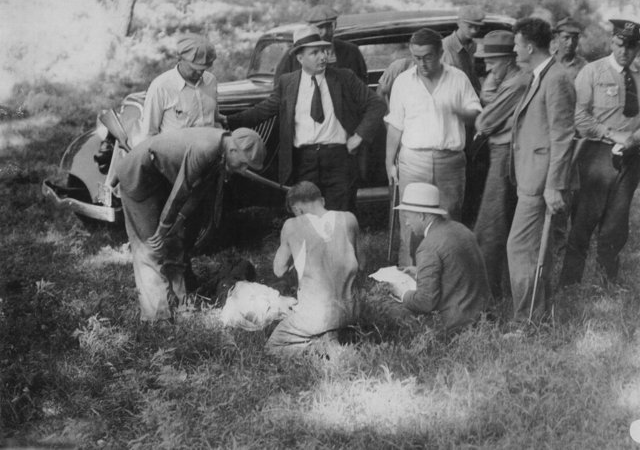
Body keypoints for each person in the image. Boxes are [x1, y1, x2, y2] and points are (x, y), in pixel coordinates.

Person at [228, 25, 385, 212]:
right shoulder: (288, 83)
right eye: (315, 53)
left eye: (324, 51)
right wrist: (228, 121)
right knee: (307, 218)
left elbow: (377, 105)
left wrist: (359, 136)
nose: (323, 57)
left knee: (339, 217)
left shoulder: (344, 78)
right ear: (299, 58)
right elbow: (264, 110)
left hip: (339, 159)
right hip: (303, 161)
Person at [116, 127, 266, 322]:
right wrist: (162, 230)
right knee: (150, 248)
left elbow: (194, 195)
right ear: (234, 151)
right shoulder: (205, 148)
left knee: (175, 242)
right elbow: (181, 192)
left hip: (162, 181)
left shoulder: (221, 150)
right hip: (138, 177)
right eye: (244, 165)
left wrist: (175, 224)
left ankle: (180, 302)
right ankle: (156, 316)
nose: (244, 171)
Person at [385, 27, 481, 266]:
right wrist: (389, 162)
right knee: (411, 219)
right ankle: (410, 275)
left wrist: (459, 110)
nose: (422, 63)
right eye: (417, 57)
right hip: (413, 160)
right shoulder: (403, 81)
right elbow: (395, 125)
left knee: (448, 218)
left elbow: (477, 116)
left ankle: (447, 273)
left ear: (440, 53)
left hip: (450, 160)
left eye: (427, 57)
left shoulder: (458, 78)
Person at [560, 19, 640, 285]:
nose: (624, 52)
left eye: (631, 47)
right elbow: (579, 116)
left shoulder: (639, 76)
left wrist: (633, 139)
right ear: (611, 42)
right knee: (583, 221)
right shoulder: (592, 72)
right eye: (619, 45)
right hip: (596, 154)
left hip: (630, 158)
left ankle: (606, 285)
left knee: (616, 226)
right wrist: (611, 134)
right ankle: (569, 283)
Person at [507, 17, 576, 324]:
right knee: (535, 250)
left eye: (516, 44)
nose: (513, 49)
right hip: (531, 175)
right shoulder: (539, 74)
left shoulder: (556, 78)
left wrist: (554, 185)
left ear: (529, 46)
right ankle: (538, 315)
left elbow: (562, 136)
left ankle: (527, 321)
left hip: (541, 181)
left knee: (521, 248)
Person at [266, 181, 364, 355]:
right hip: (352, 310)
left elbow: (278, 270)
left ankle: (317, 348)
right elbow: (362, 263)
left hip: (317, 315)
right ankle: (337, 335)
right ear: (323, 201)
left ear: (297, 209)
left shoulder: (292, 225)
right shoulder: (349, 219)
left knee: (272, 347)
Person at [383, 182, 490, 334]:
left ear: (421, 216)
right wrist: (420, 271)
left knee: (389, 307)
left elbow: (425, 301)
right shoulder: (461, 229)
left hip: (455, 324)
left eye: (408, 217)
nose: (406, 223)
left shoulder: (428, 247)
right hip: (481, 315)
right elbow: (455, 270)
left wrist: (401, 293)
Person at [473, 31, 530, 300]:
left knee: (490, 227)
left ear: (509, 60)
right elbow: (488, 102)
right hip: (502, 151)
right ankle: (498, 290)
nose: (486, 69)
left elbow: (484, 123)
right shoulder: (508, 78)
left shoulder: (517, 82)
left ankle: (490, 295)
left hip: (505, 153)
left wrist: (488, 118)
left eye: (492, 62)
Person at [131, 34, 226, 147]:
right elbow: (148, 133)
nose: (200, 73)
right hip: (176, 157)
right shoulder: (161, 87)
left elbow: (214, 118)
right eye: (194, 68)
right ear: (179, 59)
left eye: (203, 69)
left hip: (209, 152)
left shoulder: (211, 81)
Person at [274, 5, 367, 83]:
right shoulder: (293, 55)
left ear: (335, 26)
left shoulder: (351, 52)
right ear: (310, 28)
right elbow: (280, 89)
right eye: (320, 27)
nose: (326, 32)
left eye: (329, 26)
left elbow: (362, 85)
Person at [442, 5, 485, 94]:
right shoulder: (444, 47)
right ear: (458, 23)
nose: (474, 31)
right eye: (470, 26)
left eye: (477, 27)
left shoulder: (477, 47)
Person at [553, 17, 588, 81]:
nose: (570, 43)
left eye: (574, 38)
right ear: (557, 38)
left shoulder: (584, 66)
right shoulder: (547, 62)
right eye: (566, 38)